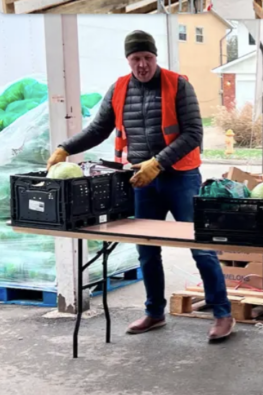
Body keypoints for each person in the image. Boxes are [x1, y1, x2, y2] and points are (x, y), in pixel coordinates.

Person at [45, 30, 234, 341]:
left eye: (147, 57)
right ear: (128, 60)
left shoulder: (178, 84)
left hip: (180, 176)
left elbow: (194, 134)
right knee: (146, 250)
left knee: (200, 246)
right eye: (136, 59)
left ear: (155, 57)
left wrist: (158, 163)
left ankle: (222, 313)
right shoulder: (119, 88)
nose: (143, 64)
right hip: (141, 181)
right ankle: (154, 312)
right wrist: (65, 147)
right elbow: (98, 129)